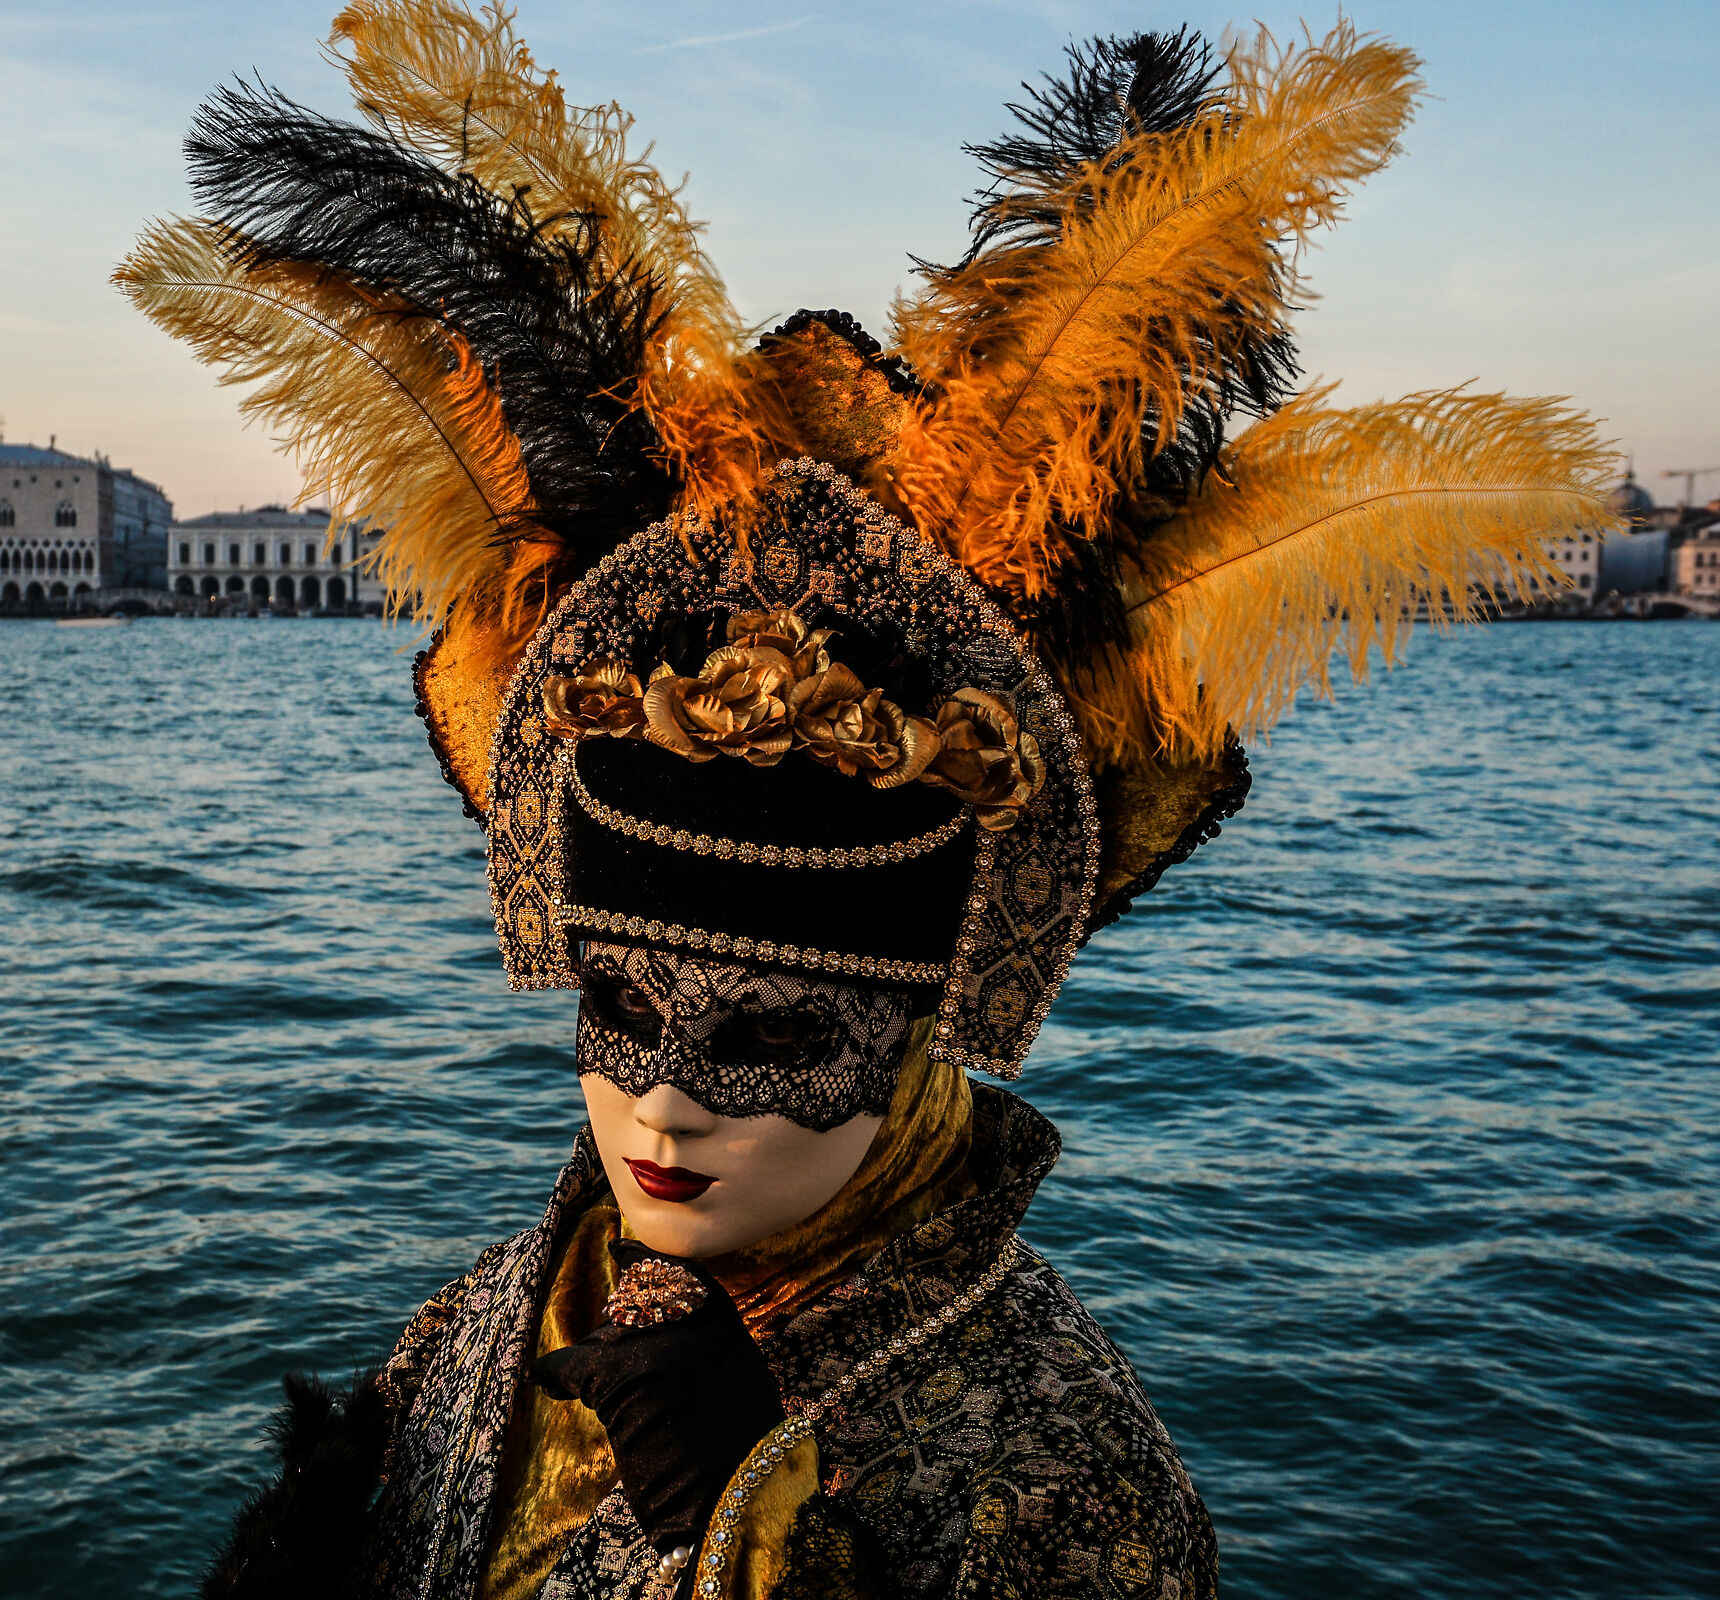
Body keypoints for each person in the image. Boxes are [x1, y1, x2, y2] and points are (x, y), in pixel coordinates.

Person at [114, 4, 1612, 1594]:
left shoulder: (1052, 1459)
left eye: (771, 1034)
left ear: (910, 1041)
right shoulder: (512, 1309)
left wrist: (774, 1534)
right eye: (622, 1004)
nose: (666, 1106)